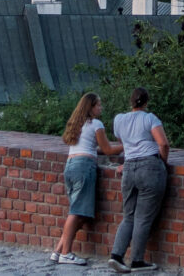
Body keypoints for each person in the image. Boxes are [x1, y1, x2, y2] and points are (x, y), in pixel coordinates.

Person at [50, 92, 123, 267]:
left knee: (79, 213)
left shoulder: (77, 124)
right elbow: (108, 150)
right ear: (90, 107)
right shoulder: (96, 124)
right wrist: (130, 144)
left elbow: (90, 147)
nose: (101, 108)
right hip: (84, 168)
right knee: (76, 212)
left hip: (71, 166)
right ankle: (66, 253)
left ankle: (58, 251)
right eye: (98, 105)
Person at [108, 87, 169, 273]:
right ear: (147, 102)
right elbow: (163, 143)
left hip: (129, 168)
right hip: (150, 166)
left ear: (131, 101)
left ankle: (116, 256)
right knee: (143, 218)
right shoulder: (150, 118)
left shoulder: (119, 119)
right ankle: (137, 261)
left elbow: (122, 141)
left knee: (129, 216)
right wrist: (162, 163)